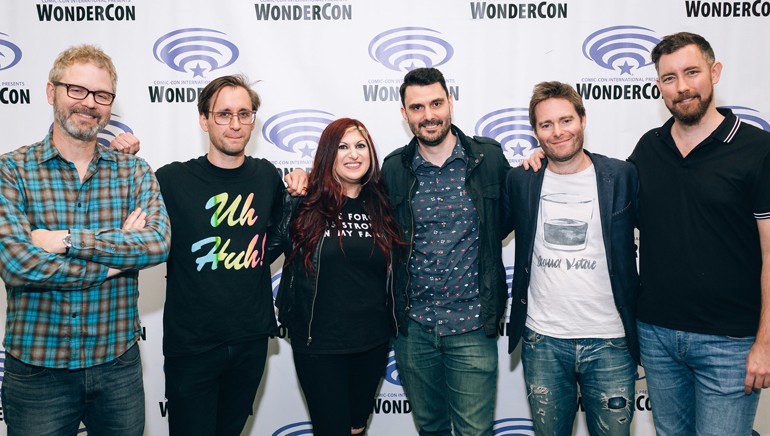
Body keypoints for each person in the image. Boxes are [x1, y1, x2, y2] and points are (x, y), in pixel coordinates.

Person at [0, 44, 171, 436]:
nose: (89, 103)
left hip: (117, 366)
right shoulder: (11, 171)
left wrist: (64, 240)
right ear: (51, 92)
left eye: (101, 95)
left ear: (111, 105)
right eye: (76, 90)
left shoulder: (133, 171)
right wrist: (119, 259)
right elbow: (17, 264)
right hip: (38, 371)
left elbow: (158, 242)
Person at [628, 32, 770, 435]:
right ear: (659, 87)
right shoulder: (648, 147)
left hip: (730, 341)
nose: (682, 87)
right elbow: (598, 189)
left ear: (715, 72)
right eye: (669, 78)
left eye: (692, 72)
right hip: (656, 335)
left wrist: (766, 342)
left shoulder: (757, 149)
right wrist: (544, 158)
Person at [155, 74, 305, 436]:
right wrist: (121, 155)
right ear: (204, 119)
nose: (235, 124)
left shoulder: (266, 175)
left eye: (244, 113)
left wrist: (297, 188)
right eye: (223, 114)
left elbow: (271, 244)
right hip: (192, 345)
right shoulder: (171, 180)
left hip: (250, 339)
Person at [503, 81, 639, 435]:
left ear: (583, 119)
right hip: (543, 340)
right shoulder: (521, 180)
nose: (558, 132)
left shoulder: (621, 176)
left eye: (566, 120)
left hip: (611, 340)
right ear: (535, 132)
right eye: (546, 125)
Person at [381, 67, 511, 436]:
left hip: (471, 325)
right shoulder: (393, 170)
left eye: (436, 103)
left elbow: (513, 213)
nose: (429, 115)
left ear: (450, 103)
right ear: (404, 114)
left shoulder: (489, 159)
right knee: (430, 429)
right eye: (417, 107)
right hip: (414, 330)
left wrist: (536, 163)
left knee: (475, 431)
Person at [275, 117, 403, 435]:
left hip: (372, 341)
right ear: (329, 153)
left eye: (360, 146)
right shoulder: (304, 202)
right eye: (343, 146)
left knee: (357, 428)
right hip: (319, 344)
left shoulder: (384, 205)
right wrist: (293, 189)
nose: (353, 154)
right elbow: (270, 244)